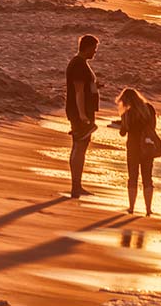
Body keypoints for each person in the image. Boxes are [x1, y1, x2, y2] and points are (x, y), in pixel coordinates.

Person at [116, 88, 161, 216]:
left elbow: (123, 132)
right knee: (147, 178)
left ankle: (131, 208)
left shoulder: (127, 112)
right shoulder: (149, 109)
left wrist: (121, 124)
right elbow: (153, 127)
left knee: (132, 177)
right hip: (147, 146)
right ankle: (148, 209)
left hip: (133, 147)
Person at [66, 35, 100, 198]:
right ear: (87, 47)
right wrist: (82, 115)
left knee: (80, 146)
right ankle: (76, 186)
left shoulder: (81, 64)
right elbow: (79, 91)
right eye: (94, 48)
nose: (95, 52)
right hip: (80, 113)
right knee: (80, 147)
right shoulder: (79, 65)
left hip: (82, 111)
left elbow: (84, 87)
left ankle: (77, 185)